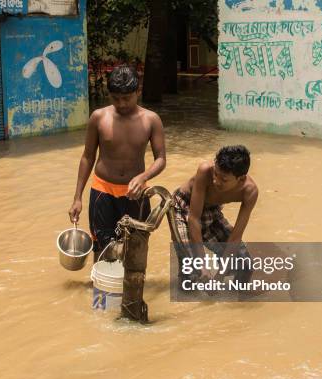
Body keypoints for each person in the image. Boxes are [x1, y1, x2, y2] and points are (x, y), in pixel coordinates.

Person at [68, 65, 166, 259]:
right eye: (115, 98)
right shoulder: (99, 117)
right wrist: (77, 197)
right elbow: (88, 156)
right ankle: (101, 289)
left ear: (137, 92)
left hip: (136, 194)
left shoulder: (151, 120)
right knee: (102, 249)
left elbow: (161, 159)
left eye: (126, 98)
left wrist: (144, 177)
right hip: (102, 192)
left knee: (135, 249)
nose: (121, 104)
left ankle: (132, 288)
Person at [172, 145, 258, 283]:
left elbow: (235, 237)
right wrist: (202, 265)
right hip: (184, 206)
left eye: (223, 180)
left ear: (241, 179)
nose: (215, 181)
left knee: (244, 265)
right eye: (215, 174)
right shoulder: (205, 170)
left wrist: (221, 274)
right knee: (192, 271)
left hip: (212, 209)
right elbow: (194, 218)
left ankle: (232, 301)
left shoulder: (250, 192)